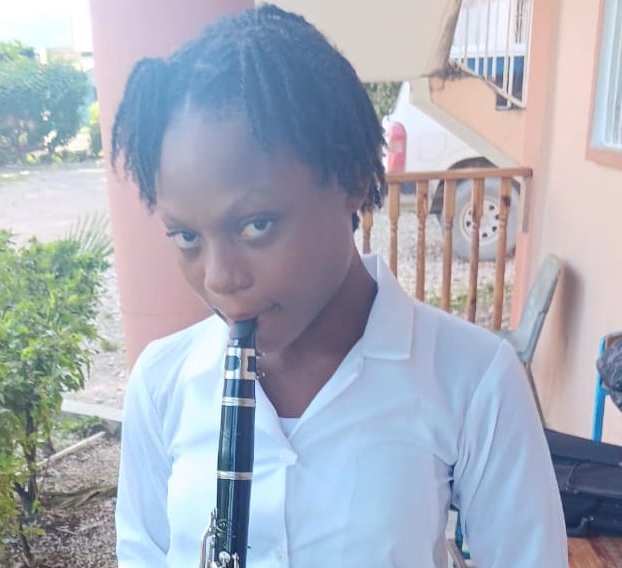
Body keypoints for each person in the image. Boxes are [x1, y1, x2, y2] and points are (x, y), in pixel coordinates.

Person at [111, 5, 568, 567]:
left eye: (257, 225)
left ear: (350, 179)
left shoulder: (474, 379)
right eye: (186, 237)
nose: (219, 278)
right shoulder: (161, 384)